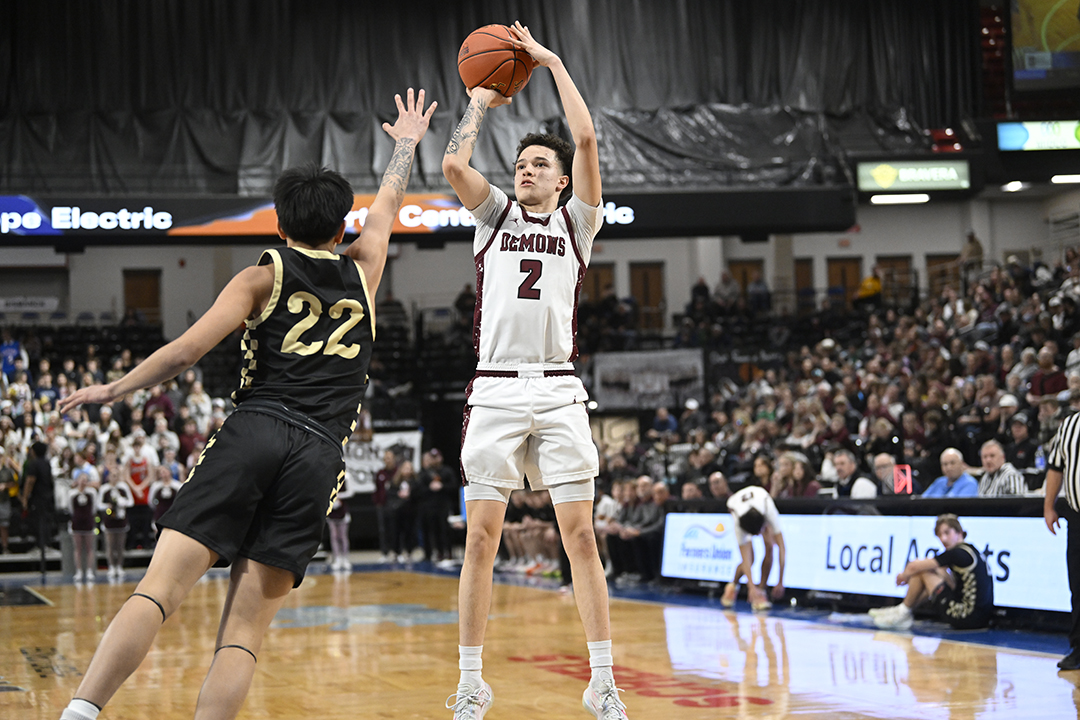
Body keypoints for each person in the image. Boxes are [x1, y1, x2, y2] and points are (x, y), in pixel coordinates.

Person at [53, 88, 434, 720]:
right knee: (243, 633)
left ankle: (81, 713)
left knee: (159, 591)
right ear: (342, 228)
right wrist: (406, 145)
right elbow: (389, 202)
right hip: (319, 455)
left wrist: (112, 389)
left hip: (257, 428)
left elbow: (186, 351)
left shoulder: (262, 275)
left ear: (279, 227)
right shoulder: (364, 271)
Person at [441, 22, 626, 720]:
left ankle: (602, 681)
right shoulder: (493, 216)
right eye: (521, 164)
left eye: (539, 164)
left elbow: (588, 140)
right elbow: (454, 167)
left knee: (579, 536)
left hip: (557, 388)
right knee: (480, 538)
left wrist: (549, 63)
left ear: (560, 179)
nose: (527, 170)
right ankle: (470, 683)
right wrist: (479, 101)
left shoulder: (578, 224)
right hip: (493, 385)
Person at [871, 514, 994, 630]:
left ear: (959, 532)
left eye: (947, 533)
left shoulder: (957, 553)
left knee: (924, 571)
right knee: (933, 570)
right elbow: (954, 586)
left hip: (965, 616)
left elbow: (914, 566)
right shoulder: (971, 550)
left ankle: (902, 612)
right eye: (939, 535)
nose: (943, 539)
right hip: (980, 618)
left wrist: (903, 576)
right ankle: (901, 610)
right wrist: (939, 572)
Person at [1045, 410, 1080, 669]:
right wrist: (1049, 506)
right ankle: (1078, 648)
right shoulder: (1069, 424)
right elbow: (1056, 467)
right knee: (1077, 585)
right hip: (1077, 517)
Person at [722, 485, 786, 611]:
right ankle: (732, 586)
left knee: (770, 546)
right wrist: (751, 587)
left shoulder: (769, 511)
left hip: (760, 498)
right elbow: (745, 559)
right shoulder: (738, 523)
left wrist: (780, 581)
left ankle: (761, 591)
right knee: (751, 558)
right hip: (736, 504)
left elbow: (782, 548)